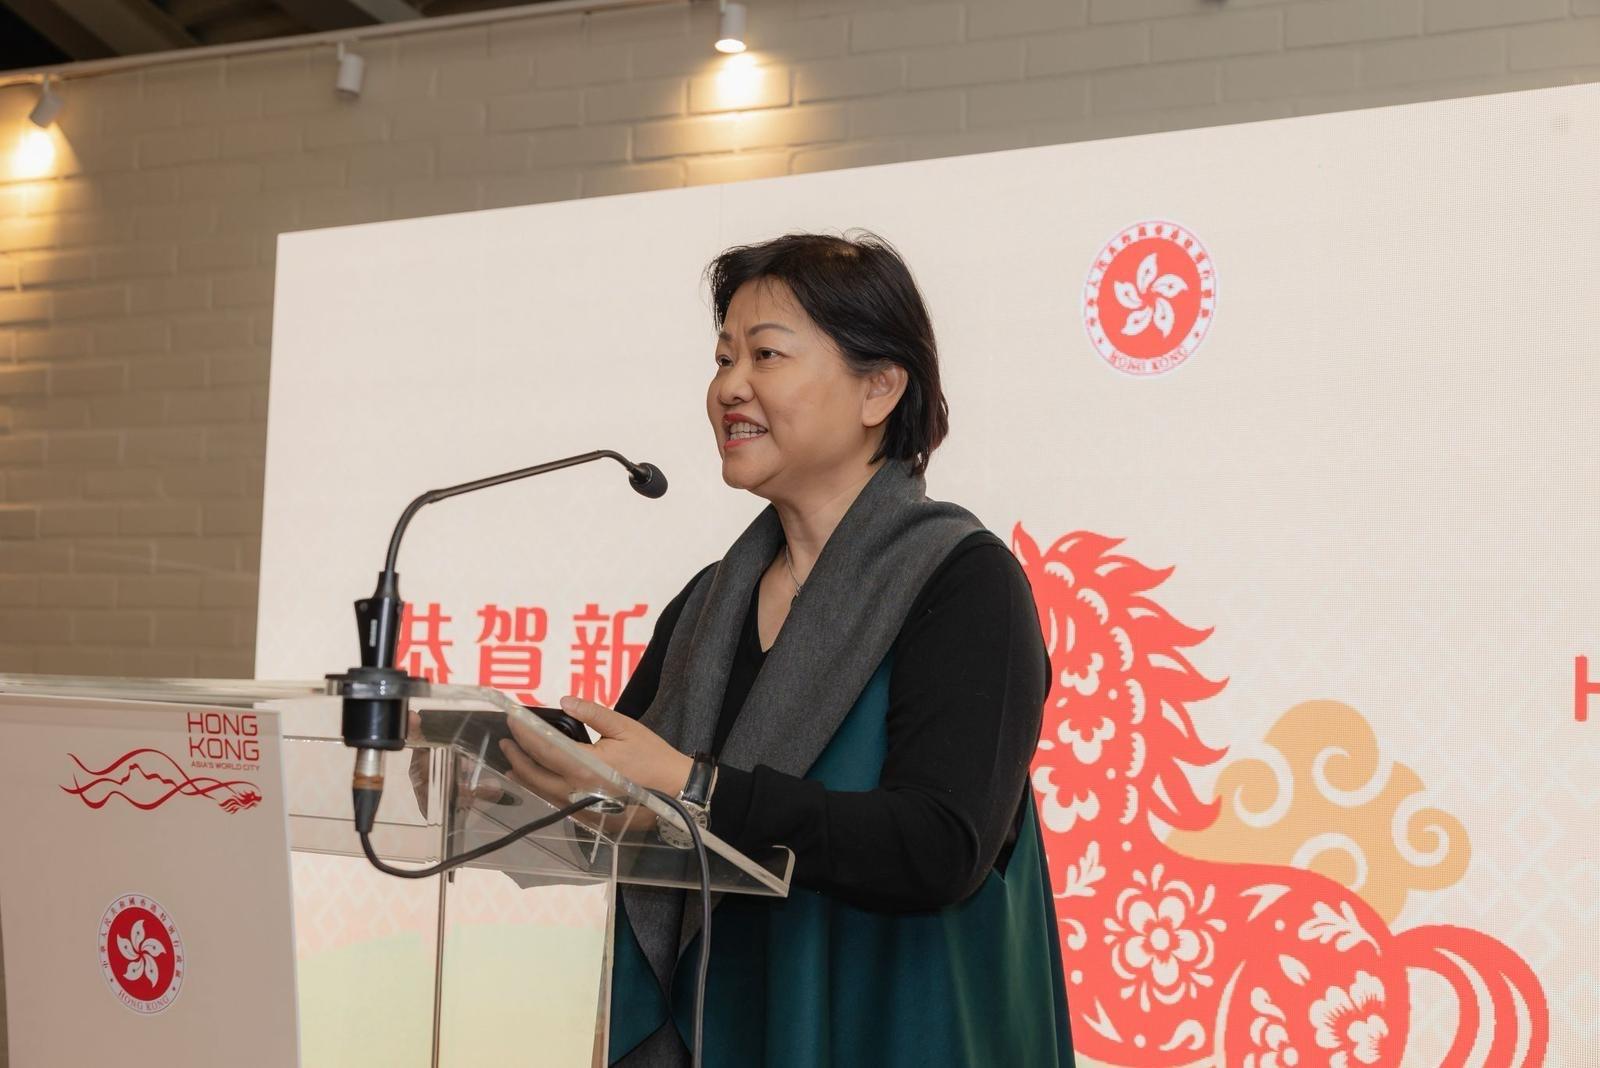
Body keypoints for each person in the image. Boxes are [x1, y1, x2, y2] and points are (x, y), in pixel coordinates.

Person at [499, 231, 1075, 1067]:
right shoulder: (709, 602)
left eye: (766, 355)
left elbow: (941, 845)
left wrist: (697, 788)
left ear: (879, 388)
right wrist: (502, 754)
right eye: (724, 357)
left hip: (891, 1032)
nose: (730, 386)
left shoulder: (965, 584)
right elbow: (627, 782)